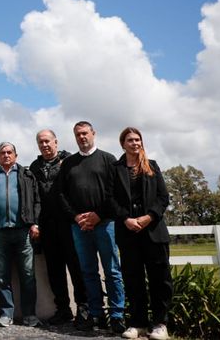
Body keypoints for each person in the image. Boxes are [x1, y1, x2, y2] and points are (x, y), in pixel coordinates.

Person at [56, 121, 125, 333]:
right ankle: (96, 315)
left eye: (85, 133)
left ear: (93, 133)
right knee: (88, 272)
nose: (82, 137)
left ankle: (117, 315)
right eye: (78, 135)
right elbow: (61, 194)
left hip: (104, 224)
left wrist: (98, 215)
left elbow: (115, 193)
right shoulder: (68, 164)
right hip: (79, 227)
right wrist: (77, 217)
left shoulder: (108, 160)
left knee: (112, 270)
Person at [112, 127, 172, 340]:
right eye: (130, 140)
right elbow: (111, 199)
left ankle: (159, 324)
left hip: (154, 233)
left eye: (137, 140)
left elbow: (163, 197)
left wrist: (149, 217)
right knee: (133, 279)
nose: (134, 143)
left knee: (160, 280)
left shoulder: (152, 166)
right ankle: (138, 324)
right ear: (123, 144)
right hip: (128, 234)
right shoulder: (115, 168)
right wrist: (126, 219)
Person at [0, 142, 42, 328]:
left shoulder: (26, 174)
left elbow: (36, 200)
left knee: (27, 275)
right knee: (2, 275)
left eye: (9, 152)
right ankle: (5, 314)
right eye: (2, 153)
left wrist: (35, 223)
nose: (6, 155)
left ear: (16, 155)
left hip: (23, 231)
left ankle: (29, 315)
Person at [29, 129, 88, 326]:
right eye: (40, 142)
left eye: (47, 141)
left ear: (56, 142)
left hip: (69, 223)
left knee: (76, 268)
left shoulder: (70, 161)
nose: (44, 145)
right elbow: (34, 198)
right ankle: (63, 309)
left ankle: (84, 309)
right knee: (54, 271)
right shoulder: (35, 166)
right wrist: (35, 222)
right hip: (47, 225)